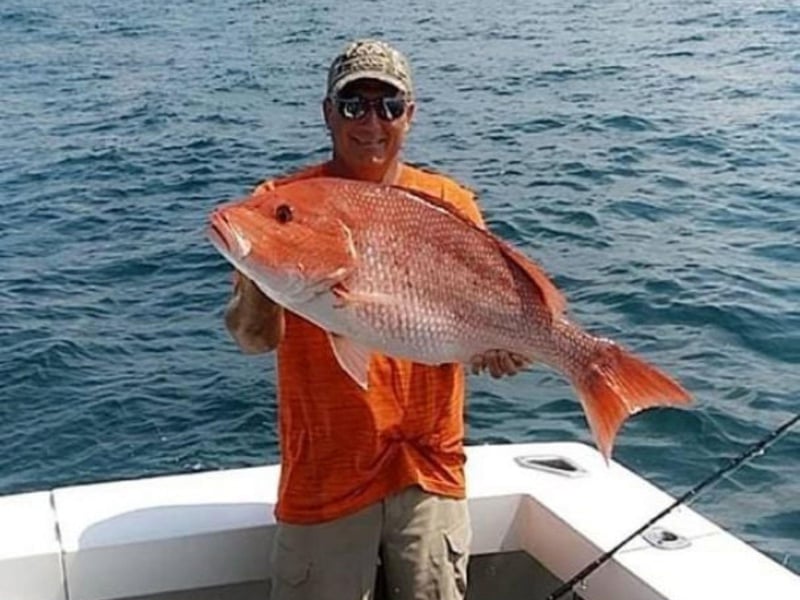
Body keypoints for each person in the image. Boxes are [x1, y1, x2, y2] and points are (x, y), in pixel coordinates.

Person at [225, 39, 528, 600]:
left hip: (429, 470)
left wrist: (502, 347)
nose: (371, 121)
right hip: (324, 476)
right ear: (327, 113)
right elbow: (252, 338)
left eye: (388, 106)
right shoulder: (280, 205)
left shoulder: (449, 202)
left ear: (409, 116)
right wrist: (263, 276)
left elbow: (477, 321)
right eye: (353, 104)